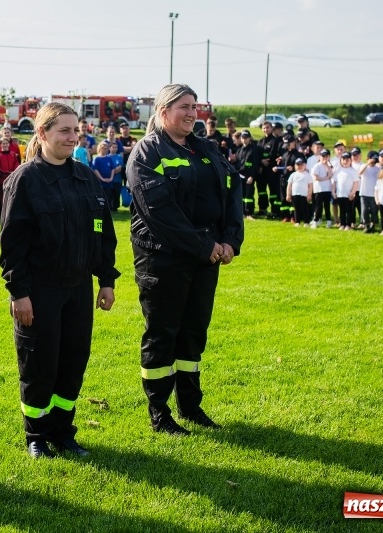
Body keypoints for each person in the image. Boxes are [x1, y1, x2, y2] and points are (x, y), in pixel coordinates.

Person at [0, 102, 119, 458]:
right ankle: (36, 435)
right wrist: (19, 293)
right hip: (40, 291)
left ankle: (63, 431)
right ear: (42, 133)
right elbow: (12, 246)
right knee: (39, 365)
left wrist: (106, 280)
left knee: (72, 362)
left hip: (78, 289)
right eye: (64, 130)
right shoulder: (25, 181)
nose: (72, 137)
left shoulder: (86, 177)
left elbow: (103, 233)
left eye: (75, 130)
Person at [126, 84, 243, 435]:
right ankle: (160, 413)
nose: (192, 113)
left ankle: (190, 407)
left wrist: (230, 239)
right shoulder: (147, 152)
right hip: (163, 258)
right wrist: (203, 245)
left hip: (205, 256)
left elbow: (231, 191)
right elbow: (159, 211)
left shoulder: (205, 148)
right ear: (163, 112)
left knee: (193, 333)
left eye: (194, 106)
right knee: (163, 333)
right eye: (184, 107)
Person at [230, 129, 259, 219]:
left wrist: (252, 176)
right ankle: (242, 212)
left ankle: (249, 213)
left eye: (246, 138)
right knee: (241, 195)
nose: (244, 140)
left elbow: (256, 164)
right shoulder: (239, 150)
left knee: (249, 195)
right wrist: (232, 160)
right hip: (240, 175)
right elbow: (237, 163)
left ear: (249, 138)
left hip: (248, 176)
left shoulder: (253, 149)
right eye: (243, 138)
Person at [331, 152, 360, 231]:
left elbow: (355, 183)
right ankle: (342, 224)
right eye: (343, 160)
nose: (345, 161)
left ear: (350, 160)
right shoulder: (338, 171)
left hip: (349, 195)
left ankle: (348, 225)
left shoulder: (353, 171)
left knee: (349, 210)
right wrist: (333, 192)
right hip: (340, 194)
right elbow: (334, 182)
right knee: (342, 210)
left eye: (347, 160)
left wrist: (353, 192)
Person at [0, 137, 20, 217]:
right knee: (2, 196)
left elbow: (16, 164)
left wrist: (13, 172)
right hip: (2, 179)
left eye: (6, 143)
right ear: (0, 145)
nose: (5, 145)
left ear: (9, 144)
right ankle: (3, 212)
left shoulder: (13, 154)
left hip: (12, 178)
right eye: (3, 143)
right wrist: (3, 172)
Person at [310, 149, 333, 229]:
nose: (324, 158)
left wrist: (327, 166)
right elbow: (316, 178)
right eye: (323, 156)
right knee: (318, 206)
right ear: (320, 157)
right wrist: (326, 178)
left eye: (326, 156)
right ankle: (316, 220)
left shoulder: (329, 166)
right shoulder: (317, 166)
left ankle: (328, 221)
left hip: (327, 189)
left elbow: (331, 175)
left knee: (327, 206)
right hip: (319, 189)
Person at [358, 150, 380, 233]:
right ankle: (366, 225)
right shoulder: (363, 166)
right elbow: (359, 173)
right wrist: (367, 164)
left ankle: (373, 225)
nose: (373, 162)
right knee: (365, 210)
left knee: (374, 210)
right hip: (364, 193)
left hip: (374, 194)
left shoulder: (378, 169)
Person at [286, 158, 312, 226]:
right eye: (298, 165)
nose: (300, 166)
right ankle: (297, 222)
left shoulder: (307, 175)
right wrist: (288, 194)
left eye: (301, 165)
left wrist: (309, 194)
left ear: (305, 165)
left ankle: (306, 222)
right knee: (296, 209)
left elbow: (310, 186)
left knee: (304, 208)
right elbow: (289, 185)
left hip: (304, 195)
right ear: (295, 166)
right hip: (295, 194)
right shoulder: (293, 175)